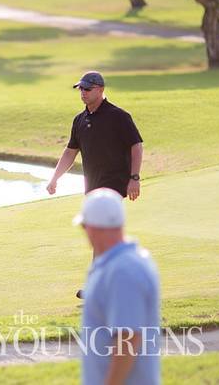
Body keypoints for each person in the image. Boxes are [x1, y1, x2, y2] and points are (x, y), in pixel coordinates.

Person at [46, 71, 144, 299]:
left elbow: (136, 146)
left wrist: (134, 178)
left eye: (87, 89)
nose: (83, 93)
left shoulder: (119, 116)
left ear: (100, 89)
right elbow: (70, 152)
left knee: (100, 231)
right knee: (103, 235)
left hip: (113, 184)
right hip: (92, 185)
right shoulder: (80, 120)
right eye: (80, 89)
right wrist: (54, 178)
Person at [74, 188, 160, 385]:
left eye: (84, 227)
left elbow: (128, 338)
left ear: (93, 227)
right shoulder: (119, 263)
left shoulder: (123, 270)